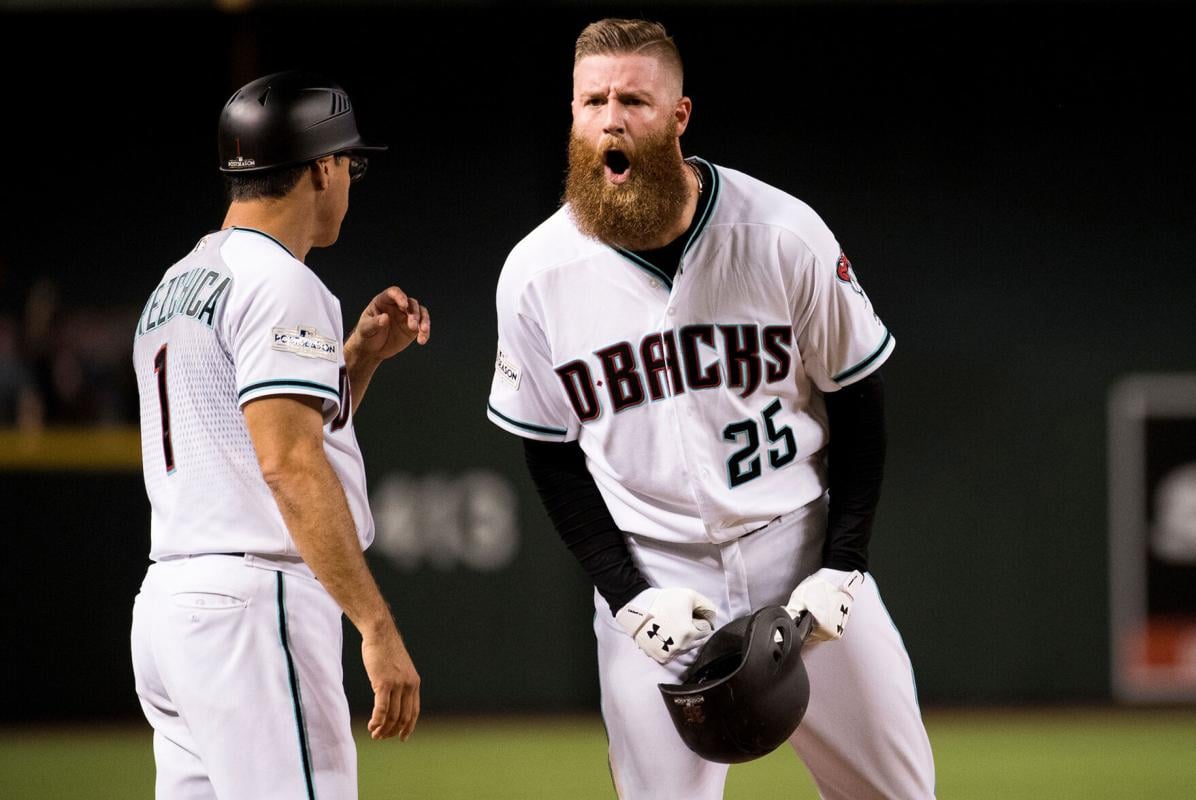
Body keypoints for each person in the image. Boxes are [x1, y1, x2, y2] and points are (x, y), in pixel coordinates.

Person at [486, 18, 935, 799]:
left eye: (634, 99)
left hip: (797, 557)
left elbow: (858, 403)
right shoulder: (536, 275)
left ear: (680, 116)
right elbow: (551, 455)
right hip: (655, 578)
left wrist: (843, 564)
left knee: (899, 793)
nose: (611, 119)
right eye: (591, 101)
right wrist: (627, 598)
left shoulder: (779, 234)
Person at [131, 70, 428, 799]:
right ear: (322, 168)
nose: (350, 180)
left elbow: (251, 437)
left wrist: (353, 359)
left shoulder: (179, 280)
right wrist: (376, 626)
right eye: (349, 164)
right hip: (251, 606)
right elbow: (288, 464)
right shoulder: (279, 282)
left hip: (171, 605)